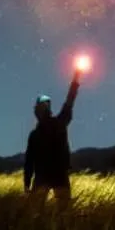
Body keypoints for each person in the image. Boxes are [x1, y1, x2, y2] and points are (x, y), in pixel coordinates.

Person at [23, 69, 81, 209]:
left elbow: (29, 162)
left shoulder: (35, 134)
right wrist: (75, 80)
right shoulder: (57, 124)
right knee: (64, 211)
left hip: (45, 176)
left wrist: (27, 183)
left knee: (38, 213)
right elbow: (69, 103)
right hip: (57, 175)